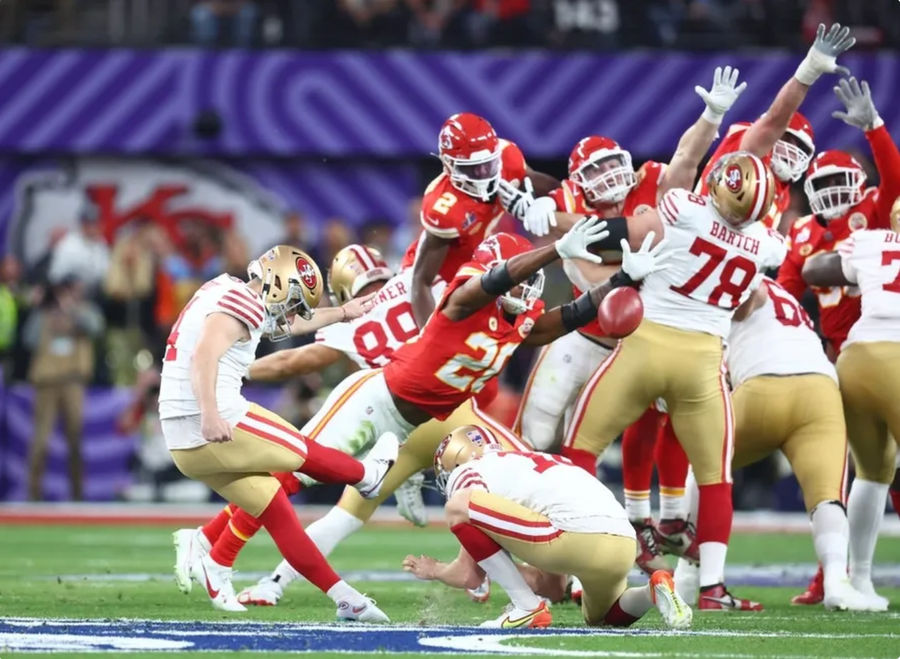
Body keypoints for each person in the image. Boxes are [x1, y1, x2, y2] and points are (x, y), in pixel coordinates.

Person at [222, 218, 669, 607]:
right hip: (432, 415)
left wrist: (620, 280)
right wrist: (552, 251)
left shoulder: (481, 303)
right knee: (527, 473)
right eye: (515, 281)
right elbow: (488, 281)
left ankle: (270, 579)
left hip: (412, 425)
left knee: (332, 501)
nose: (523, 292)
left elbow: (560, 317)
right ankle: (542, 579)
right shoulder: (456, 294)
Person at [179, 242, 532, 608]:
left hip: (385, 409)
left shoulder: (364, 313)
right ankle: (503, 571)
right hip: (451, 412)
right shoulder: (420, 281)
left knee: (298, 480)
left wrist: (242, 368)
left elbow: (295, 362)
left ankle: (248, 568)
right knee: (512, 480)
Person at [505, 65, 749, 573]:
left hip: (641, 337)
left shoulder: (654, 183)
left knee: (633, 426)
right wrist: (626, 246)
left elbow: (686, 160)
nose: (609, 178)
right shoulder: (562, 204)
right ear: (576, 182)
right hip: (584, 333)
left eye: (614, 165)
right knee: (535, 431)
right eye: (593, 172)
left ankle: (640, 526)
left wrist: (710, 117)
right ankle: (519, 539)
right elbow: (596, 276)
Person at [560, 151, 787, 611]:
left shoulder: (684, 208)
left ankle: (580, 574)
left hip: (646, 342)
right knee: (715, 478)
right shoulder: (766, 244)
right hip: (703, 359)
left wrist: (569, 235)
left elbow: (625, 235)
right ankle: (713, 589)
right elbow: (748, 304)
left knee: (579, 449)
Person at [160, 244, 397, 619]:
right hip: (210, 415)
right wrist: (209, 412)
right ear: (280, 285)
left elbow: (289, 324)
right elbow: (203, 355)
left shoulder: (229, 291)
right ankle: (366, 476)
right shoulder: (243, 302)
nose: (291, 313)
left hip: (181, 439)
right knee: (303, 451)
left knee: (276, 507)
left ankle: (344, 599)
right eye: (293, 301)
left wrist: (343, 312)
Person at [676, 277, 873, 611]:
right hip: (820, 390)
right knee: (827, 496)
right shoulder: (782, 295)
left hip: (762, 384)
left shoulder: (721, 274)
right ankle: (837, 581)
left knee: (706, 470)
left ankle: (688, 576)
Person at [775, 77, 900, 605]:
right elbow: (787, 288)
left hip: (855, 351)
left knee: (870, 470)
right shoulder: (809, 230)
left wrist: (874, 128)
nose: (834, 197)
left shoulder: (869, 218)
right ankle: (836, 572)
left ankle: (846, 574)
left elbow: (803, 276)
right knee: (843, 467)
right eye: (822, 185)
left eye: (841, 185)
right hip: (836, 352)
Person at [405, 424, 692, 629]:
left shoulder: (470, 471)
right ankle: (653, 590)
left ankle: (526, 607)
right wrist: (495, 567)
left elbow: (468, 571)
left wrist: (435, 570)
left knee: (458, 505)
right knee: (603, 619)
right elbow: (554, 587)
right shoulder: (527, 463)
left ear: (457, 459)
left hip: (573, 535)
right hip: (621, 543)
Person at [800, 224, 900, 612]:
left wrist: (862, 277)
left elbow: (814, 270)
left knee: (872, 476)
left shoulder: (873, 240)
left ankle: (858, 578)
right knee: (875, 475)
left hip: (855, 358)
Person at [697, 22, 856, 234]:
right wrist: (809, 70)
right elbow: (775, 119)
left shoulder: (783, 191)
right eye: (786, 139)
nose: (792, 151)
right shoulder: (747, 148)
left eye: (800, 146)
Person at [403, 112, 557, 328]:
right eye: (472, 168)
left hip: (478, 274)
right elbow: (421, 282)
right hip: (441, 285)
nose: (484, 173)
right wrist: (429, 341)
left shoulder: (506, 157)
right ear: (448, 165)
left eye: (488, 164)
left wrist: (543, 202)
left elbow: (551, 187)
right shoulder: (444, 206)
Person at [23, 278, 105, 501]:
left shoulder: (85, 312)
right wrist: (40, 308)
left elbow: (96, 329)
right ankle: (33, 496)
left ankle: (77, 496)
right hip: (46, 383)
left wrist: (73, 310)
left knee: (76, 440)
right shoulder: (43, 314)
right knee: (40, 440)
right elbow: (27, 340)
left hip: (73, 382)